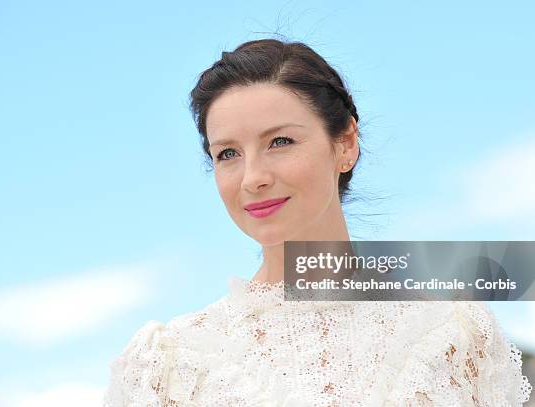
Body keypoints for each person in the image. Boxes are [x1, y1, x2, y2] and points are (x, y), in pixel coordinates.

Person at [102, 39, 532, 406]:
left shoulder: (453, 334)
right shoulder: (165, 363)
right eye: (227, 154)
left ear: (345, 143)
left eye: (280, 141)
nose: (253, 178)